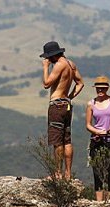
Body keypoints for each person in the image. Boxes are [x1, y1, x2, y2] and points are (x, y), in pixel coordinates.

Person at [40, 41, 84, 179]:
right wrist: (70, 96)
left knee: (57, 141)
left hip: (56, 105)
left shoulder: (59, 65)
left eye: (48, 58)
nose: (47, 60)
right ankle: (68, 173)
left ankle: (57, 173)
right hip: (66, 105)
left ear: (52, 56)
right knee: (67, 140)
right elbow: (80, 83)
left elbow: (46, 84)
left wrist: (45, 68)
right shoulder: (71, 64)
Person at [84, 76, 110, 201]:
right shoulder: (91, 104)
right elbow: (88, 125)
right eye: (98, 88)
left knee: (108, 170)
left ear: (107, 88)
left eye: (103, 88)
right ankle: (99, 201)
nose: (100, 90)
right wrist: (97, 131)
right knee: (97, 171)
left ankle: (108, 198)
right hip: (97, 140)